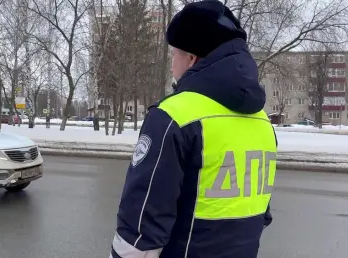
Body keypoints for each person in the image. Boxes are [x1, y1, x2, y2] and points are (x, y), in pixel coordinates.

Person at [108, 0, 278, 258]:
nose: (171, 62)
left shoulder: (172, 116)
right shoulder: (262, 121)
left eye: (174, 53)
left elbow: (142, 227)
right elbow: (259, 214)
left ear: (191, 58)